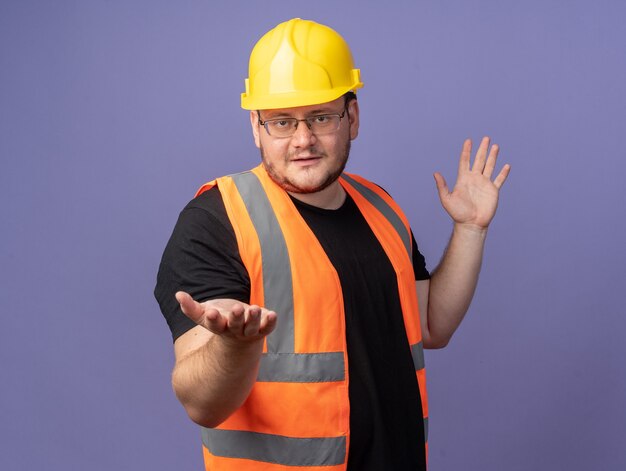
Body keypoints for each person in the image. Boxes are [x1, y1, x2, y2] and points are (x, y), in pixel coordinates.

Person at [155, 17, 510, 471]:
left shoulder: (381, 208)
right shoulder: (218, 219)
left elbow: (432, 325)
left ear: (352, 117)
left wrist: (471, 230)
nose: (303, 139)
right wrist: (234, 346)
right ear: (256, 127)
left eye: (320, 117)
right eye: (282, 122)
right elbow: (201, 404)